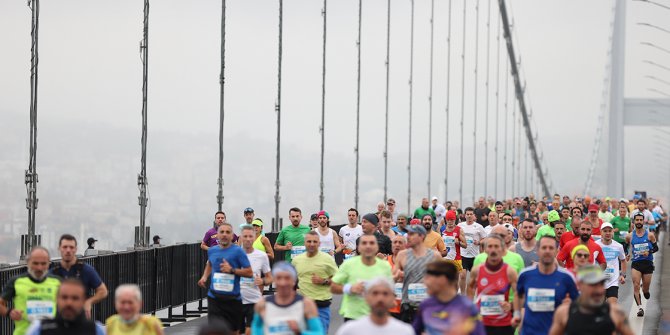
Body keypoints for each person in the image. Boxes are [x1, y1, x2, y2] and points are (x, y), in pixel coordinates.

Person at [512, 235, 580, 335]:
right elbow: (518, 295)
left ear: (556, 251)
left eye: (551, 248)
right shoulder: (525, 275)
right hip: (529, 331)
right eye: (544, 248)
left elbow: (577, 303)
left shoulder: (566, 278)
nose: (547, 251)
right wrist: (517, 314)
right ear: (537, 251)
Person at [198, 223, 253, 334]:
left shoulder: (238, 251)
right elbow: (210, 263)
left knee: (234, 332)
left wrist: (232, 270)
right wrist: (204, 277)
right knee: (215, 331)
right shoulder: (212, 250)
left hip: (233, 299)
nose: (224, 235)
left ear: (232, 236)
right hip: (214, 298)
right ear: (217, 235)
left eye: (228, 232)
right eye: (222, 232)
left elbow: (249, 272)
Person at [548, 265, 634, 335]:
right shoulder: (564, 313)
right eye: (593, 285)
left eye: (601, 284)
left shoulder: (616, 313)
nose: (599, 290)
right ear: (579, 285)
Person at [413, 260, 486, 335]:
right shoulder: (425, 305)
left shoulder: (468, 308)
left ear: (442, 279)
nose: (424, 281)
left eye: (427, 278)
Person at [331, 234, 393, 321]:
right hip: (353, 315)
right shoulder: (348, 264)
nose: (368, 246)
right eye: (364, 243)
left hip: (376, 315)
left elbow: (390, 292)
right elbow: (333, 287)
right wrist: (350, 288)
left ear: (376, 247)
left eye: (371, 243)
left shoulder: (385, 266)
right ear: (358, 247)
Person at [1, 247, 61, 335]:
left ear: (49, 263)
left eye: (43, 263)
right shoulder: (16, 281)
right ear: (28, 263)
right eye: (35, 263)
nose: (39, 268)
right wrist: (9, 312)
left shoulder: (58, 282)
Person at [252, 262, 323, 335]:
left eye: (287, 278)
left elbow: (318, 332)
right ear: (274, 281)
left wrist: (299, 332)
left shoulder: (306, 304)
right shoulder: (262, 304)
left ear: (294, 281)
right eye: (279, 278)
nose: (283, 283)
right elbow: (256, 329)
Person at [467, 234, 518, 335]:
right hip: (482, 322)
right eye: (490, 246)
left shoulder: (509, 271)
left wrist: (512, 307)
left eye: (496, 246)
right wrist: (470, 307)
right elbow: (470, 287)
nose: (493, 250)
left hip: (503, 324)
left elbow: (518, 293)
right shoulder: (477, 270)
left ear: (502, 249)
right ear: (485, 249)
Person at [50, 234, 108, 318]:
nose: (68, 250)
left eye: (71, 247)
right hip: (59, 319)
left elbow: (103, 291)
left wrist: (89, 302)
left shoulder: (86, 270)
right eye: (65, 247)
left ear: (76, 249)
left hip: (81, 319)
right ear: (59, 249)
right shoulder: (52, 273)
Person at [393, 225, 441, 323]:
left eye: (411, 234)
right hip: (408, 306)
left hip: (429, 306)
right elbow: (392, 280)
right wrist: (397, 276)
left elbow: (446, 279)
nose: (407, 236)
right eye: (408, 234)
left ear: (421, 236)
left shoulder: (435, 256)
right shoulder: (402, 255)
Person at [292, 231, 338, 333]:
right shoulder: (297, 260)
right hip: (302, 306)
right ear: (304, 243)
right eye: (309, 241)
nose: (312, 244)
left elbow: (338, 280)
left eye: (314, 241)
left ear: (319, 243)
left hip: (321, 306)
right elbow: (292, 282)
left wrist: (324, 281)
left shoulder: (327, 259)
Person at [335, 278, 414, 335]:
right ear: (366, 297)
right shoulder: (349, 330)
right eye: (375, 293)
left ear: (393, 298)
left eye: (385, 294)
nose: (380, 298)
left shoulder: (405, 331)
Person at [26, 279, 105, 335]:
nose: (69, 303)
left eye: (75, 298)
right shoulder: (40, 329)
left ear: (83, 301)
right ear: (56, 299)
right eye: (64, 297)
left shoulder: (95, 330)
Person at [239, 226, 272, 335]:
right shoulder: (234, 254)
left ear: (254, 238)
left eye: (250, 236)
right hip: (236, 300)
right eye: (245, 236)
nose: (248, 239)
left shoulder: (261, 256)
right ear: (241, 238)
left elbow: (270, 278)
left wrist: (262, 281)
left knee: (250, 332)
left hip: (253, 300)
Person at [626, 212, 658, 317]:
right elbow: (627, 247)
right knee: (636, 285)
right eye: (637, 220)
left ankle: (645, 291)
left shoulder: (650, 235)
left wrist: (649, 252)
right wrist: (627, 254)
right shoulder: (630, 236)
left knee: (645, 289)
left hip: (648, 263)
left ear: (643, 221)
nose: (639, 222)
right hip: (636, 263)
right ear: (634, 221)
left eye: (640, 220)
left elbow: (656, 248)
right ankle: (640, 308)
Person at [595, 222, 627, 303]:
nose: (607, 233)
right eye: (605, 231)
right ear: (601, 232)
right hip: (598, 282)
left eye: (610, 231)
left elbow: (623, 260)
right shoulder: (595, 245)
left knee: (612, 307)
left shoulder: (618, 246)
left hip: (613, 282)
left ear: (613, 232)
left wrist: (623, 275)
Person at [457, 207, 487, 289]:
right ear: (465, 215)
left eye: (471, 214)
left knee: (474, 278)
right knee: (462, 276)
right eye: (467, 214)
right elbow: (455, 236)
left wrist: (479, 242)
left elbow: (485, 238)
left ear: (474, 215)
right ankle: (462, 295)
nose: (469, 216)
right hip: (463, 254)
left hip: (474, 255)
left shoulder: (478, 227)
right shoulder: (460, 225)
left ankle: (472, 295)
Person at [387, 235, 407, 318]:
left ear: (406, 246)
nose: (397, 245)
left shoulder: (411, 261)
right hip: (390, 306)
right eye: (395, 242)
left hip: (406, 305)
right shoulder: (385, 261)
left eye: (400, 242)